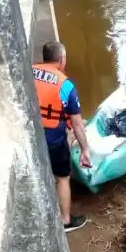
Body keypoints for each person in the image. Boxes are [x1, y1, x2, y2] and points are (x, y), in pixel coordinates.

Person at [33, 41, 91, 233]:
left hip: (31, 133)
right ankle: (65, 220)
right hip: (52, 138)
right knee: (62, 178)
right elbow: (75, 123)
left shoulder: (28, 71)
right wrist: (85, 149)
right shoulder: (64, 84)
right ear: (61, 60)